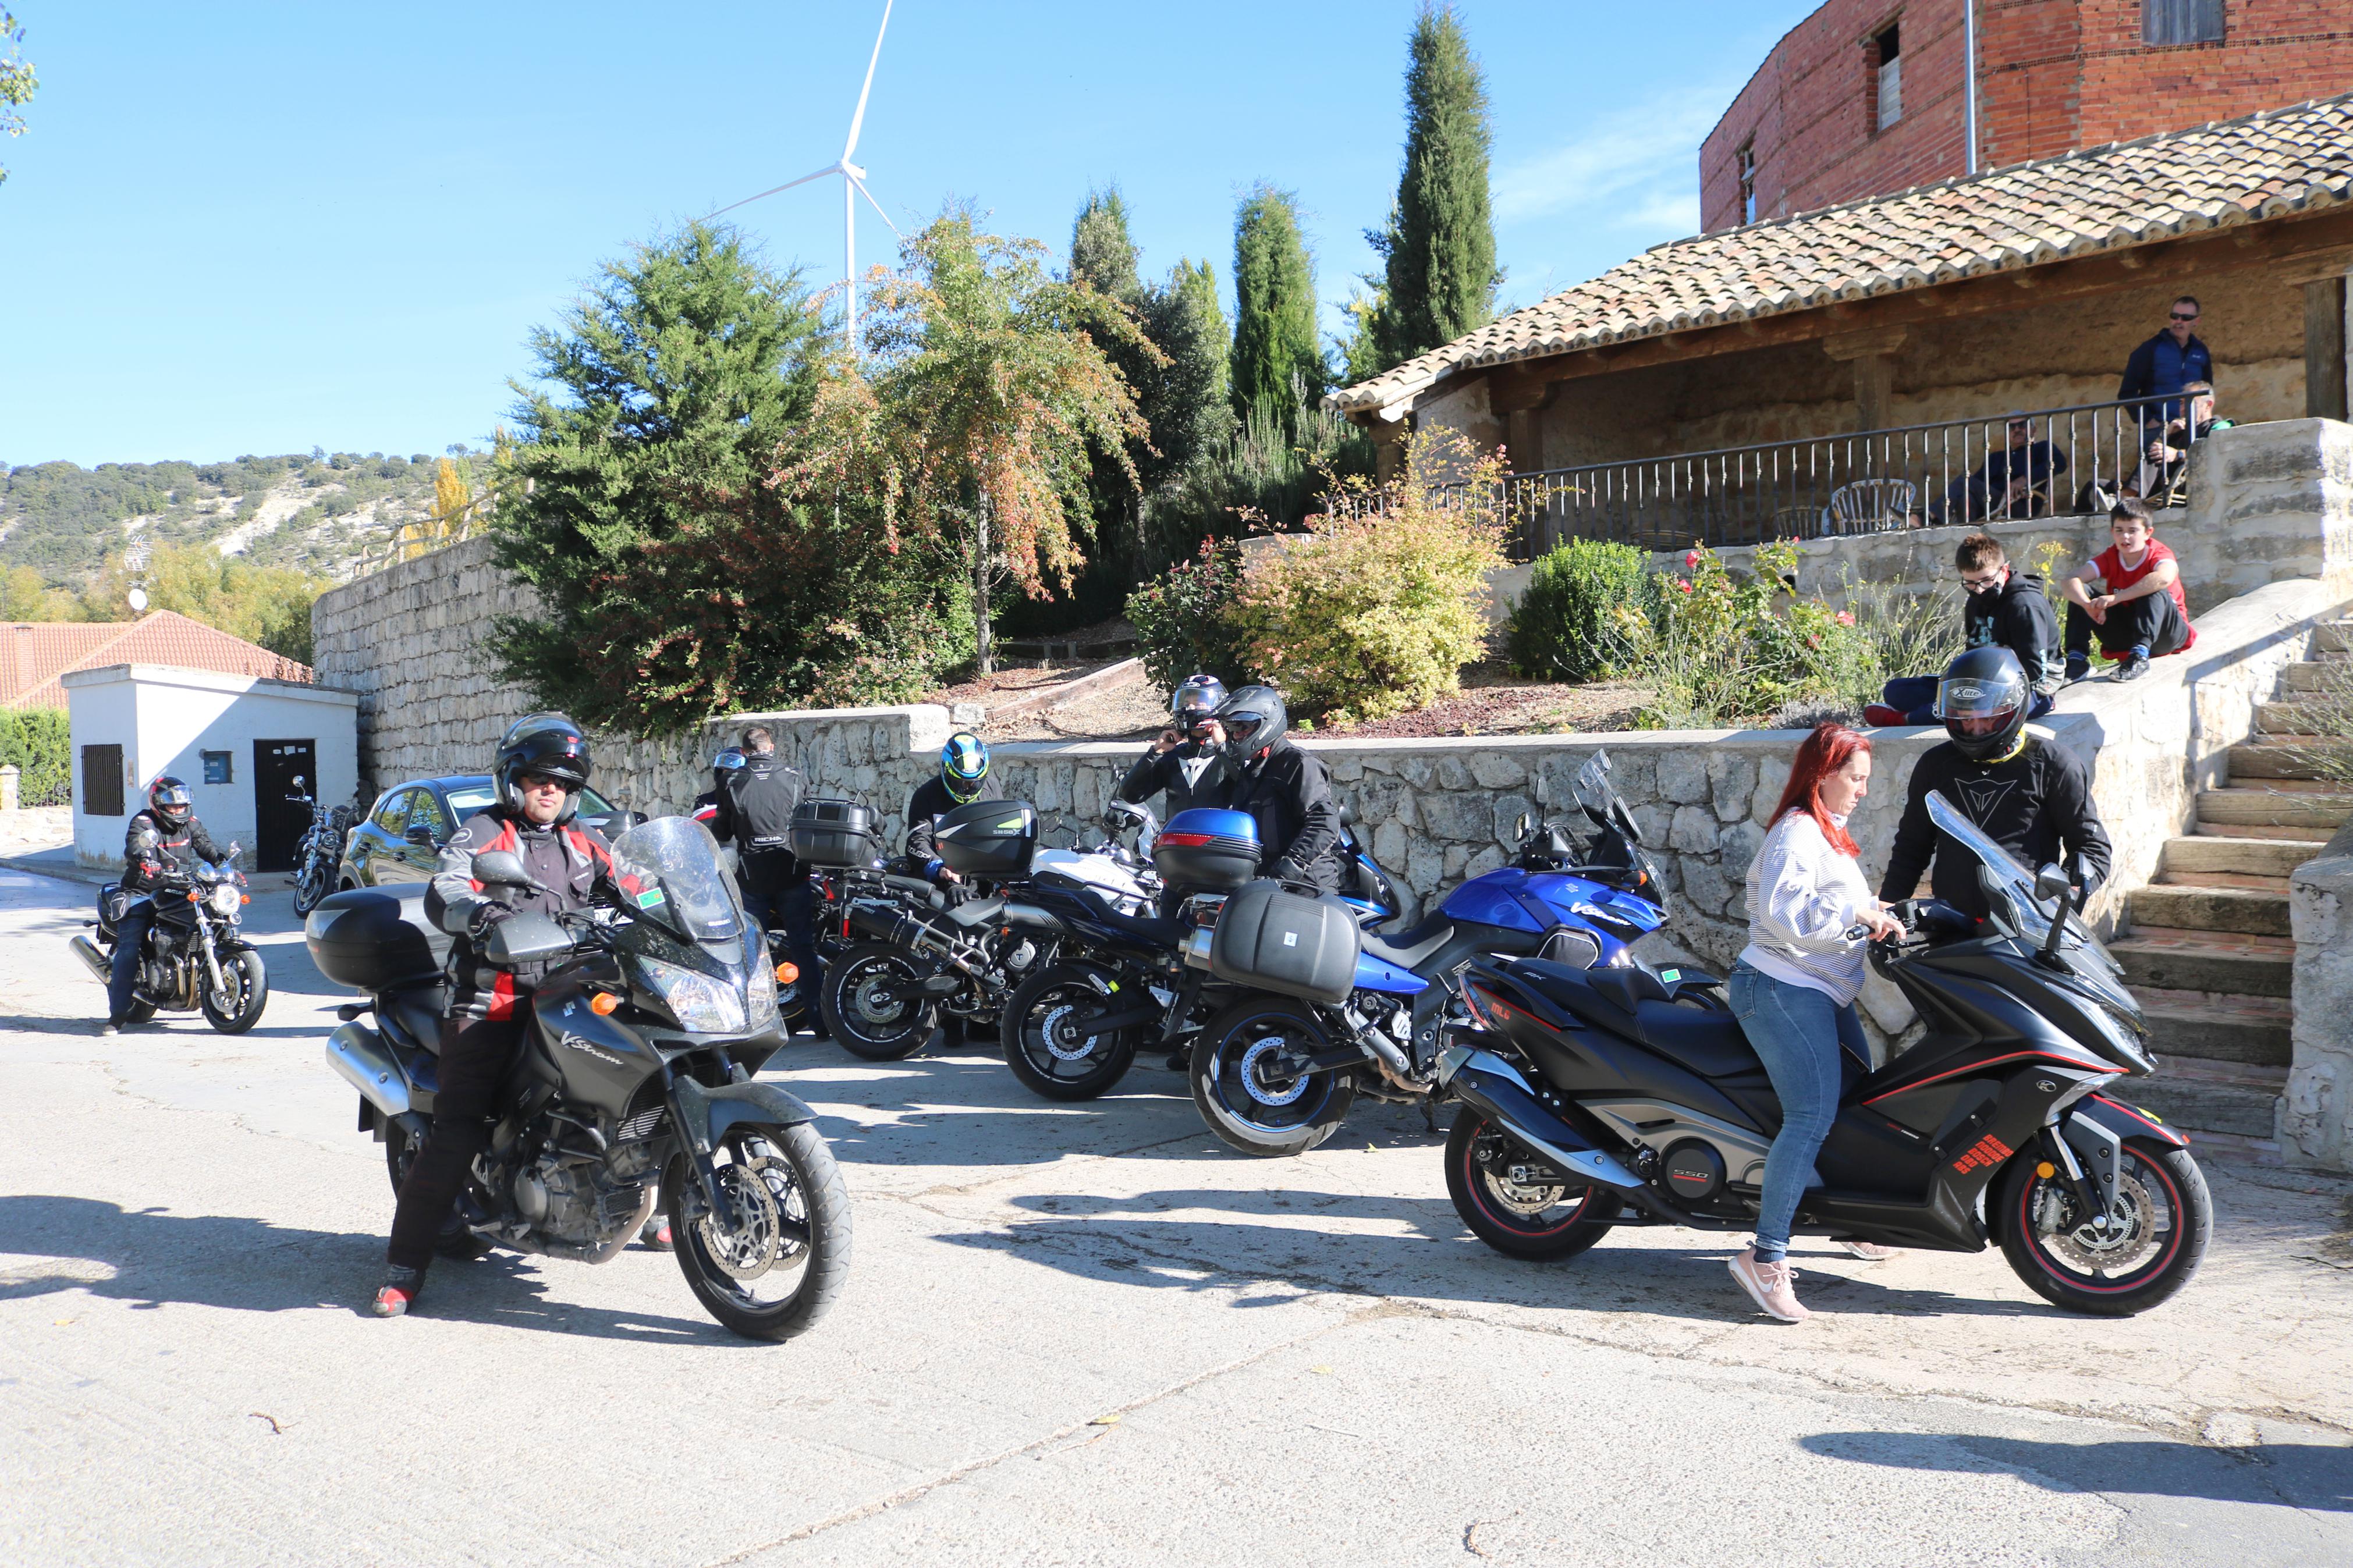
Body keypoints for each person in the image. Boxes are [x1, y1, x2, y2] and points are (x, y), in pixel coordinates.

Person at [372, 712, 626, 1318]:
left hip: (575, 993)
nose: (551, 791)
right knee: (458, 1128)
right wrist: (480, 915)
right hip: (496, 1000)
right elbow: (449, 889)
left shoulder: (587, 841)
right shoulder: (483, 833)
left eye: (563, 783)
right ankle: (404, 1268)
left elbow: (637, 884)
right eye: (539, 779)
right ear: (513, 780)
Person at [1727, 724, 1907, 1324]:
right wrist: (1856, 911)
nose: (1861, 790)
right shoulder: (1796, 831)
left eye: (1864, 780)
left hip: (1820, 991)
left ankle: (1848, 1219)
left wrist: (1882, 912)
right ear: (1822, 772)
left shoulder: (1828, 833)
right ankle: (1765, 1256)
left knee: (1859, 1100)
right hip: (1780, 986)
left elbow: (1837, 910)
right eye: (1854, 778)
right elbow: (1785, 916)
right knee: (1809, 1116)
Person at [1879, 646, 2113, 922]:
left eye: (1988, 718)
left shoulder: (2053, 763)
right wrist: (1887, 907)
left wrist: (2068, 891)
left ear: (2012, 709)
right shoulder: (1935, 764)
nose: (1976, 729)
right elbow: (1912, 845)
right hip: (1953, 925)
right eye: (1966, 719)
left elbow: (2092, 848)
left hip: (2027, 924)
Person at [1864, 534, 2061, 727]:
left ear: (2004, 570)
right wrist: (1959, 685)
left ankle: (1908, 719)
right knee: (1896, 690)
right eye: (1970, 583)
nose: (1980, 590)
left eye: (1986, 581)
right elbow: (1973, 653)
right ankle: (1941, 709)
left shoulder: (2025, 606)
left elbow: (2036, 673)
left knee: (1984, 710)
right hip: (1982, 684)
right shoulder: (1975, 600)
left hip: (2028, 689)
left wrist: (1975, 694)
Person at [104, 776, 232, 1034]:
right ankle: (117, 1015)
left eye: (182, 806)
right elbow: (135, 846)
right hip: (142, 890)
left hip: (178, 888)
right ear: (158, 804)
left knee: (214, 919)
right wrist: (146, 861)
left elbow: (204, 844)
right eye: (173, 807)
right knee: (129, 948)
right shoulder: (144, 821)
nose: (178, 811)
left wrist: (223, 863)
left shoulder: (191, 823)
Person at [712, 726, 819, 1029]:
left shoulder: (731, 781)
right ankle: (820, 1020)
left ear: (744, 752)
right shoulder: (796, 777)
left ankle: (754, 1026)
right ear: (771, 748)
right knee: (803, 947)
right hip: (791, 871)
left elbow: (722, 832)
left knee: (753, 953)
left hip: (752, 876)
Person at [1216, 686, 1342, 892]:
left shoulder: (1298, 764)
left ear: (1267, 723)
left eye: (1243, 727)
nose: (1237, 735)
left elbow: (1324, 822)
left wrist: (1290, 867)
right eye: (1232, 728)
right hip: (1267, 883)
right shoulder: (1252, 768)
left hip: (1305, 886)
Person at [2060, 498, 2196, 682]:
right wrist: (2087, 605)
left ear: (2148, 533)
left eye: (2133, 531)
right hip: (2127, 634)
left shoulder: (2159, 553)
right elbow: (2070, 580)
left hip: (2167, 635)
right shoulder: (2111, 556)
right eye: (2120, 531)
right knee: (2081, 591)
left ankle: (2140, 658)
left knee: (2153, 587)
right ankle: (2077, 660)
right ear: (2112, 532)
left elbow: (2164, 577)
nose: (2125, 537)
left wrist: (2117, 598)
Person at [1116, 674, 1232, 820]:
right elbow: (1130, 795)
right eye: (1186, 702)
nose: (1189, 707)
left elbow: (1248, 786)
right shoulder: (1173, 757)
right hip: (1177, 839)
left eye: (1197, 702)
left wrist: (1222, 748)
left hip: (1219, 840)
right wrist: (1155, 753)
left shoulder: (1233, 755)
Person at [1935, 414, 2068, 525]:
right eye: (2012, 427)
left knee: (1964, 482)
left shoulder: (2042, 448)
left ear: (2033, 430)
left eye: (2022, 425)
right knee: (1965, 494)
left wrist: (2025, 479)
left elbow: (2059, 463)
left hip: (2021, 504)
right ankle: (1968, 537)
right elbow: (1975, 483)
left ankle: (1928, 517)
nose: (2017, 429)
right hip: (1991, 504)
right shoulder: (1996, 458)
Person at [906, 731, 998, 889]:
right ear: (946, 771)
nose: (967, 788)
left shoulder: (991, 788)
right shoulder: (926, 795)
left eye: (973, 783)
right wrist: (940, 868)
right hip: (941, 884)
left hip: (983, 881)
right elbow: (916, 841)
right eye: (959, 782)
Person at [2123, 381, 2231, 505]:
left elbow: (2212, 453)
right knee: (2097, 485)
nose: (2183, 408)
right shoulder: (2180, 430)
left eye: (2190, 403)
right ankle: (2120, 497)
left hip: (2188, 485)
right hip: (2157, 486)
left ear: (2208, 405)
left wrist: (2178, 455)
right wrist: (2168, 435)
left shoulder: (2219, 427)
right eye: (2181, 403)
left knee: (2158, 453)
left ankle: (2124, 499)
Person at [2117, 295, 2213, 426]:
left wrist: (2203, 420)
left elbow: (2207, 390)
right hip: (2159, 429)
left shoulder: (2201, 351)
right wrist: (2150, 421)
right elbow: (2127, 393)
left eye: (2186, 318)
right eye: (2174, 316)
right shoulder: (2150, 349)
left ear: (2196, 321)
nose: (2178, 321)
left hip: (2192, 428)